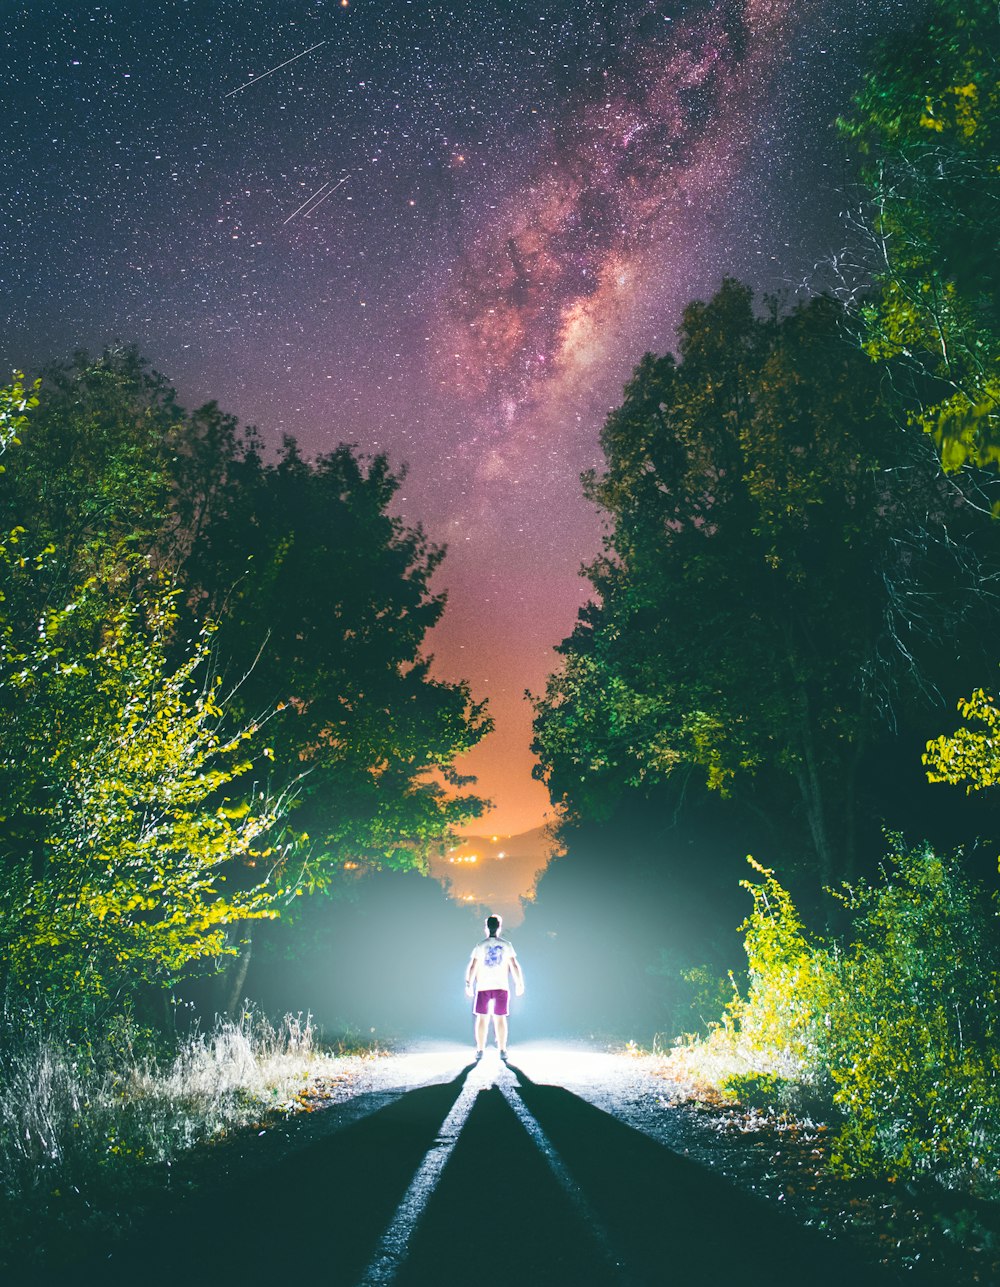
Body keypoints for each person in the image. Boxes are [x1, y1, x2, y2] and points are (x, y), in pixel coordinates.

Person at [465, 913, 524, 1061]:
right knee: (500, 1019)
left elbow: (473, 966)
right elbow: (514, 965)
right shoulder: (506, 945)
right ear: (499, 927)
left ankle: (479, 1050)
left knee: (482, 1019)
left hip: (483, 987)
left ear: (487, 927)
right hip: (501, 987)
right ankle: (503, 1050)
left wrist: (469, 983)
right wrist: (519, 982)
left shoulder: (480, 945)